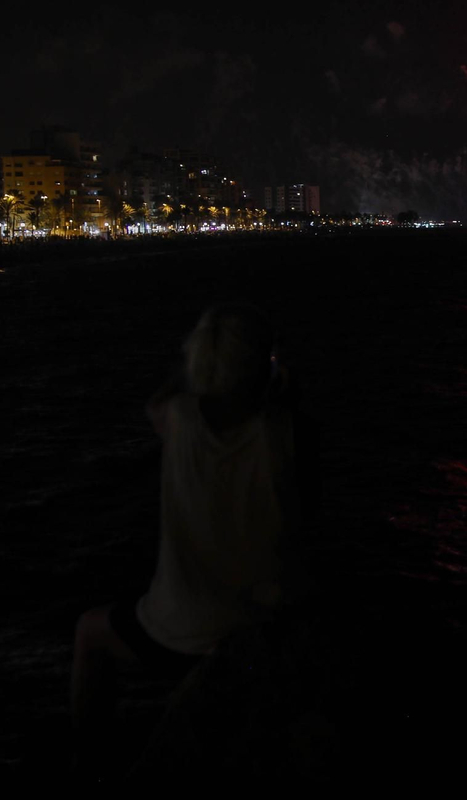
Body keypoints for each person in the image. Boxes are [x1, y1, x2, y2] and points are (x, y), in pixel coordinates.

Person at [71, 304, 314, 777]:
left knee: (88, 634)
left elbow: (157, 401)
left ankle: (87, 766)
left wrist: (192, 365)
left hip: (176, 634)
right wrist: (282, 384)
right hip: (255, 635)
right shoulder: (283, 435)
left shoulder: (179, 421)